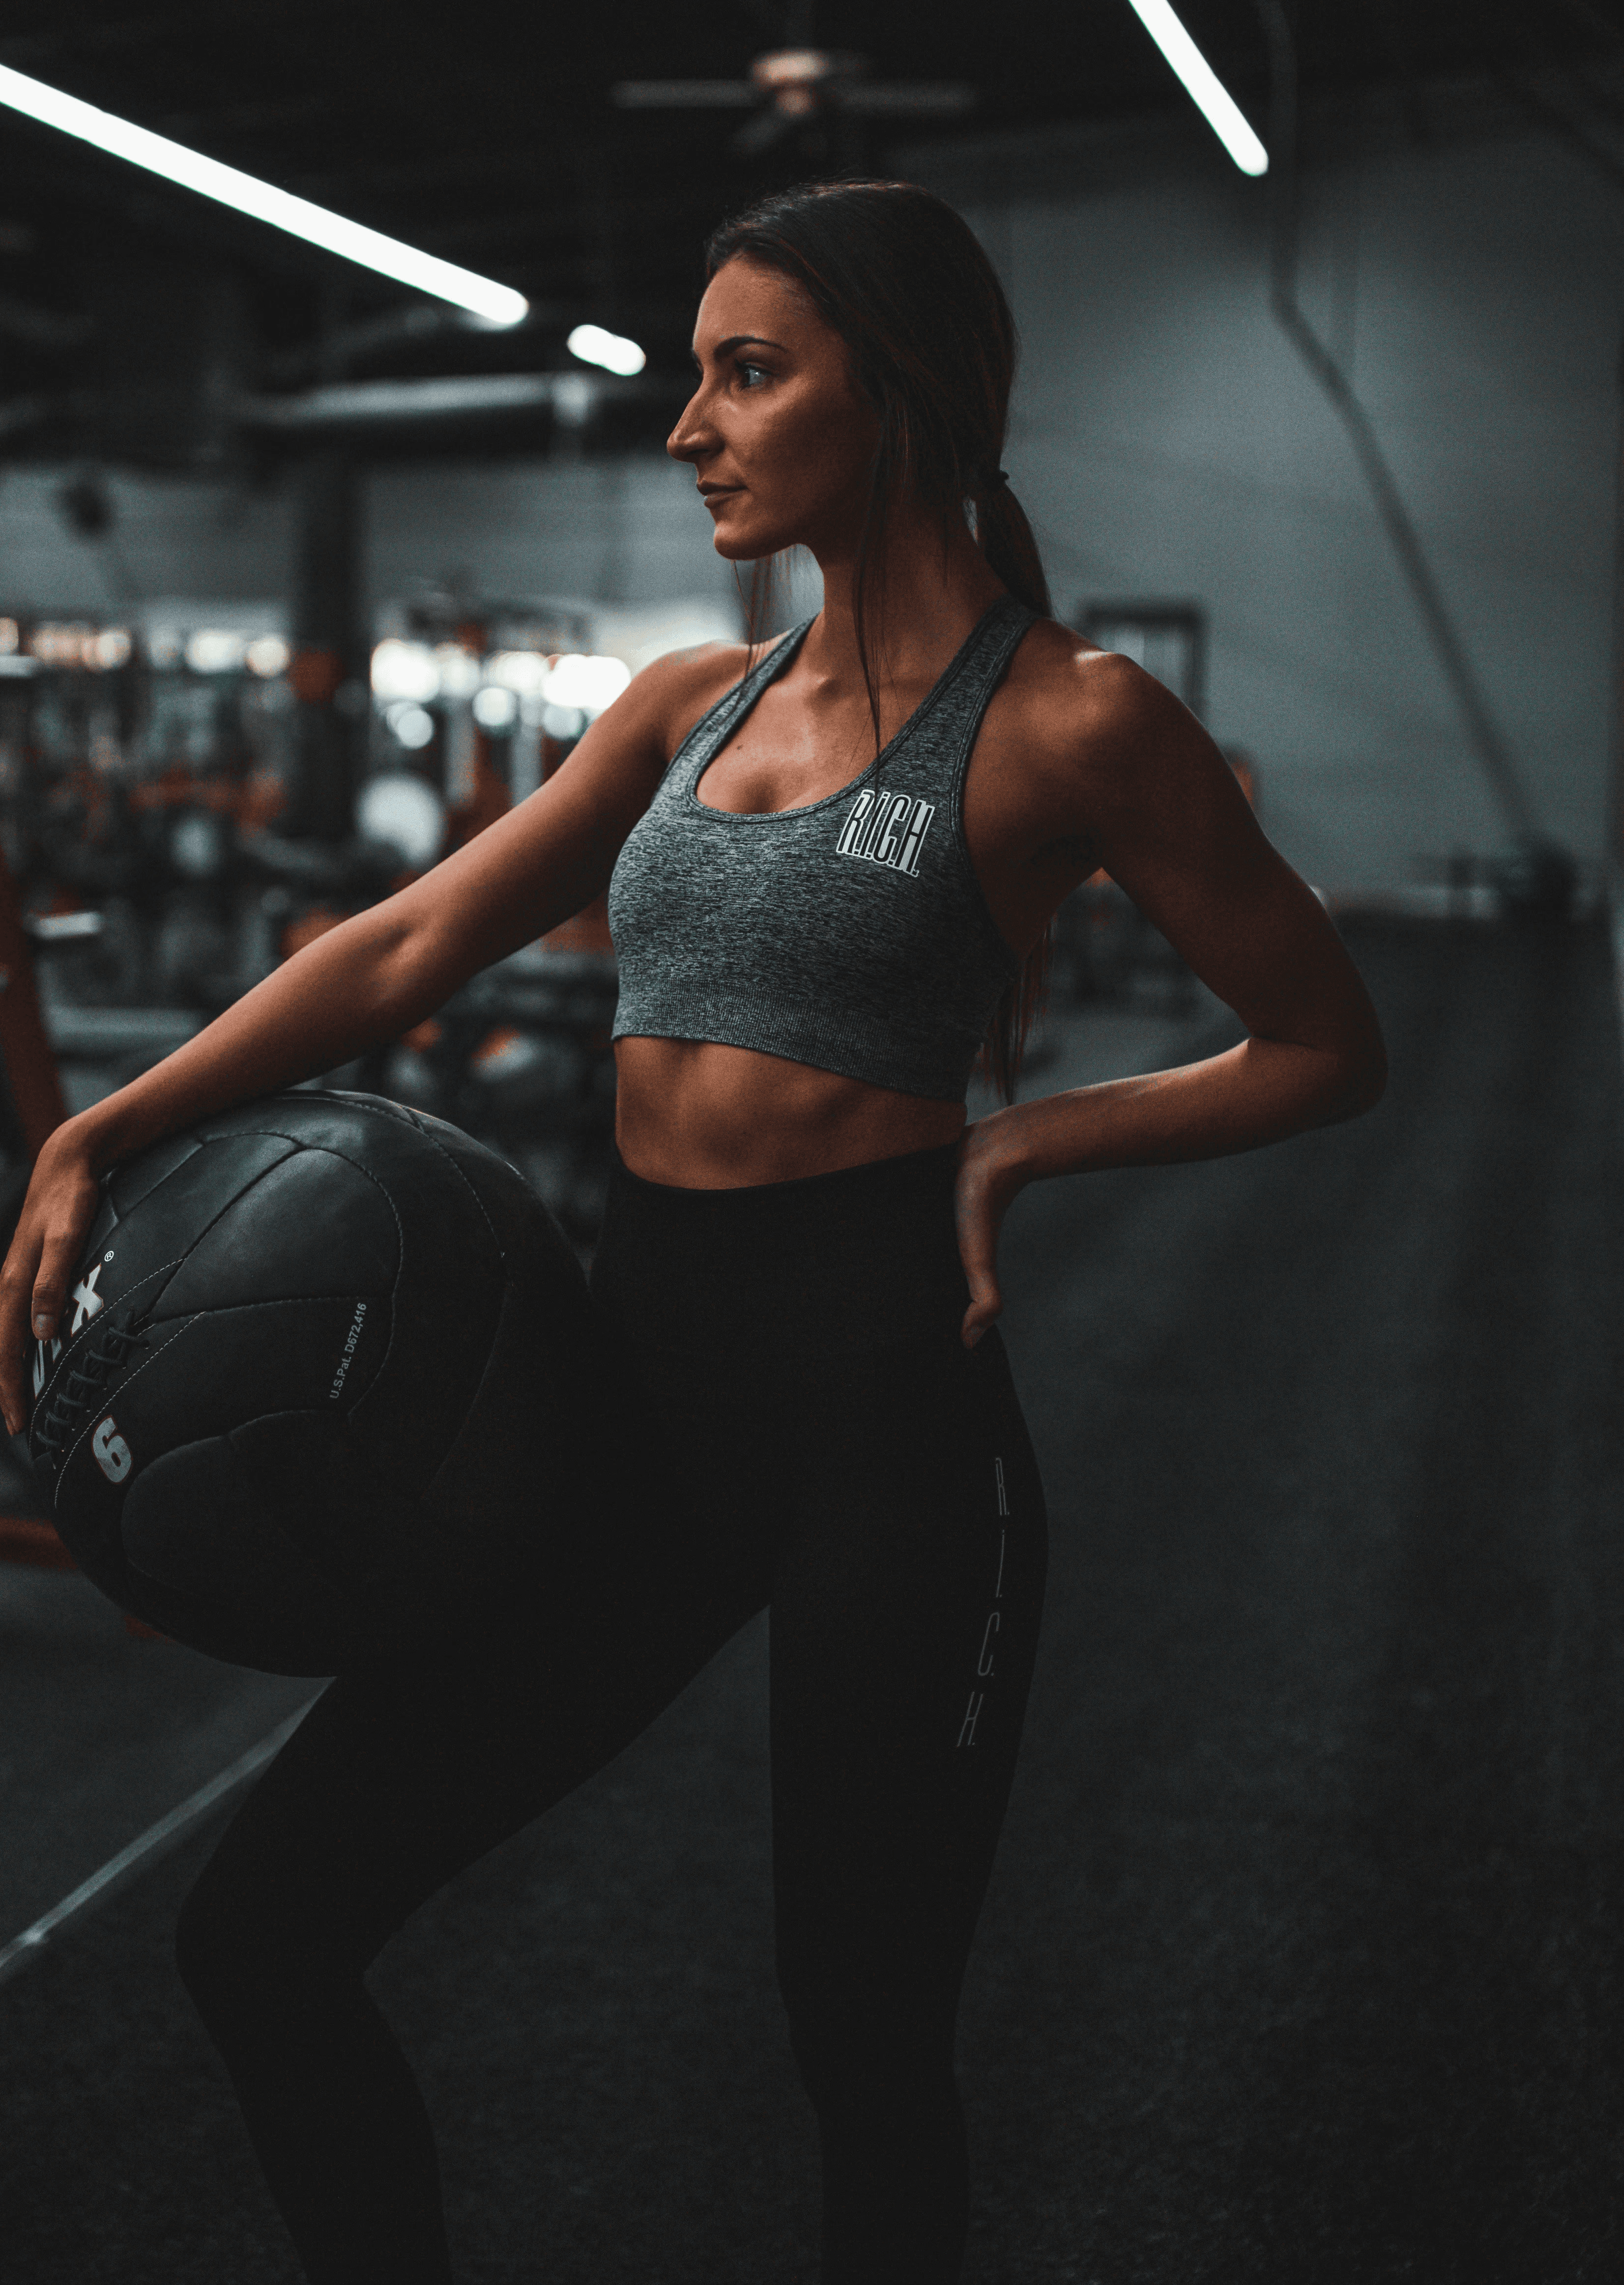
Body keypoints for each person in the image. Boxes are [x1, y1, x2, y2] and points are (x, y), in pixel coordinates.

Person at [0, 180, 1386, 2285]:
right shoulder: (681, 709)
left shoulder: (1074, 721)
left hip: (885, 1428)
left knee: (862, 2042)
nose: (688, 424)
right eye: (695, 373)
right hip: (623, 1400)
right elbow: (411, 935)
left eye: (748, 371)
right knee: (260, 1932)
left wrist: (1028, 1146)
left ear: (898, 394)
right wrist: (109, 1121)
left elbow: (1321, 1038)